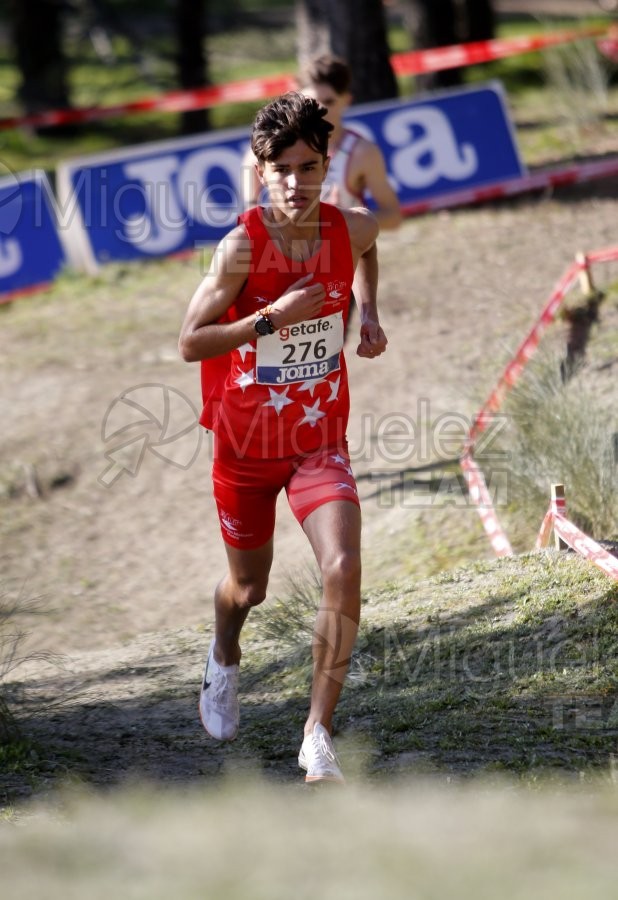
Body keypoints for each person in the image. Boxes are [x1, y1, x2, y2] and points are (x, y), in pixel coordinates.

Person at [179, 91, 388, 784]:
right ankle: (223, 655)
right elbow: (190, 341)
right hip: (244, 448)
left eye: (308, 166)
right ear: (261, 170)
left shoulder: (349, 230)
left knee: (343, 566)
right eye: (282, 169)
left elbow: (371, 245)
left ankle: (317, 734)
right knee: (248, 589)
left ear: (327, 163)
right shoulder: (242, 245)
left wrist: (369, 315)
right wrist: (270, 318)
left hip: (318, 439)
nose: (296, 182)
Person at [240, 55, 402, 232]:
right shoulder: (265, 150)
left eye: (329, 102)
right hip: (285, 255)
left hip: (343, 255)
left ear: (346, 100)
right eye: (312, 102)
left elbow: (393, 216)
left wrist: (341, 221)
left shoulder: (362, 152)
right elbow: (251, 217)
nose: (321, 110)